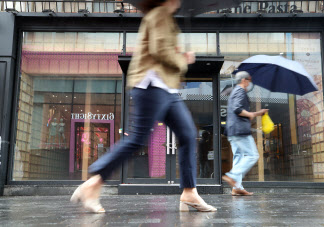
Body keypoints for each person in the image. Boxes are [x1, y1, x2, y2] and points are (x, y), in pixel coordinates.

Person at [70, 0, 216, 213]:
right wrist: (183, 60)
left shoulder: (166, 19)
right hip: (152, 85)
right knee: (138, 138)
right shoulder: (158, 15)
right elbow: (160, 52)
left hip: (167, 89)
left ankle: (189, 192)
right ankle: (93, 184)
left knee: (186, 134)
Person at [222, 71, 268, 196]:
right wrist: (251, 114)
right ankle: (232, 176)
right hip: (240, 130)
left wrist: (257, 113)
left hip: (233, 130)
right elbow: (237, 109)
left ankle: (237, 187)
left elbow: (237, 109)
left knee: (238, 157)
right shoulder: (240, 91)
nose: (250, 83)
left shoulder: (235, 91)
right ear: (243, 80)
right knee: (252, 155)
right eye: (249, 79)